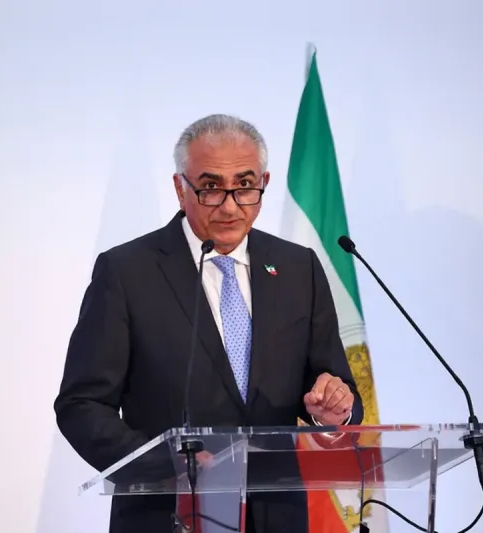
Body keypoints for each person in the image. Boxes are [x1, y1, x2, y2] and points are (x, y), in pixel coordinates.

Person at [54, 114, 363, 533]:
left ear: (264, 183)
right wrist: (166, 463)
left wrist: (335, 408)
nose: (230, 205)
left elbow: (340, 392)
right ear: (180, 188)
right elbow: (81, 405)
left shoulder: (298, 268)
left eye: (245, 185)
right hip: (167, 514)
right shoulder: (127, 272)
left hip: (277, 517)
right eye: (211, 187)